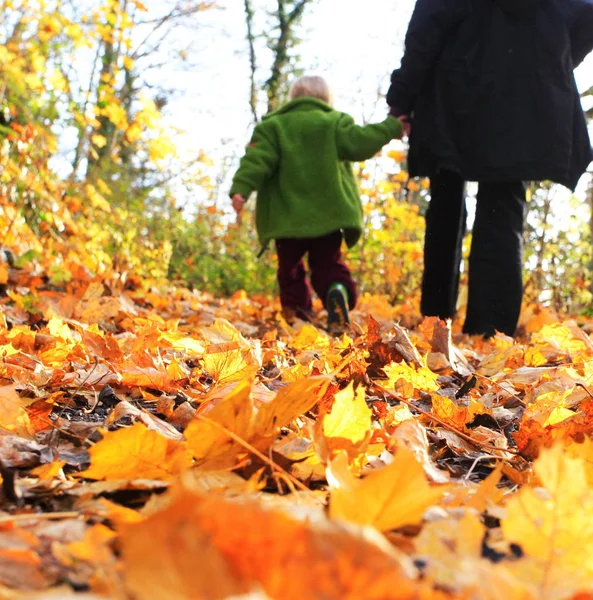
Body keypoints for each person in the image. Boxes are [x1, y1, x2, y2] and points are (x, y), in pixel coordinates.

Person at [387, 0, 593, 338]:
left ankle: (436, 323)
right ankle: (490, 333)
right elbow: (585, 14)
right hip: (519, 97)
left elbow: (425, 33)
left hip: (451, 95)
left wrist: (402, 98)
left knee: (446, 203)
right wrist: (553, 58)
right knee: (504, 203)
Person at [230, 75, 403, 333]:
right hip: (329, 216)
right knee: (328, 263)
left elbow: (257, 159)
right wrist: (391, 127)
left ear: (293, 98)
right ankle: (338, 291)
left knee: (290, 268)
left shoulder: (274, 126)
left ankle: (298, 316)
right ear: (326, 99)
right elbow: (361, 142)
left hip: (286, 217)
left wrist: (241, 189)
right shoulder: (334, 122)